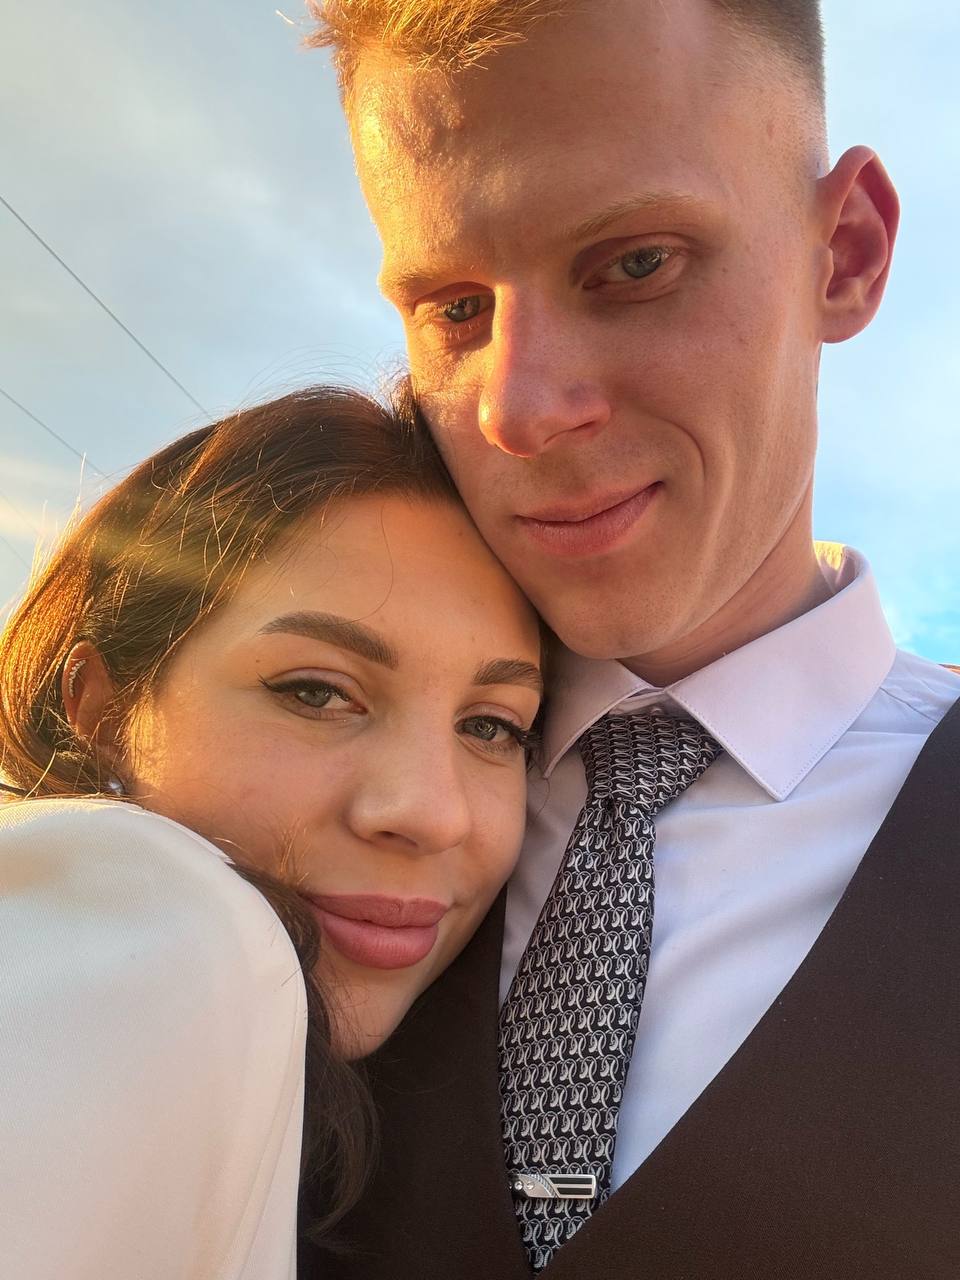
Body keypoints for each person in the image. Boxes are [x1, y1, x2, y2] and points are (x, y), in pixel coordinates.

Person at [299, 2, 960, 1276]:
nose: (518, 409)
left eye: (637, 262)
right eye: (454, 308)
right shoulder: (308, 807)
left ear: (846, 254)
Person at [0, 384, 543, 1279]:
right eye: (316, 692)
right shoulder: (169, 934)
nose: (430, 813)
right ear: (100, 708)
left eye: (492, 725)